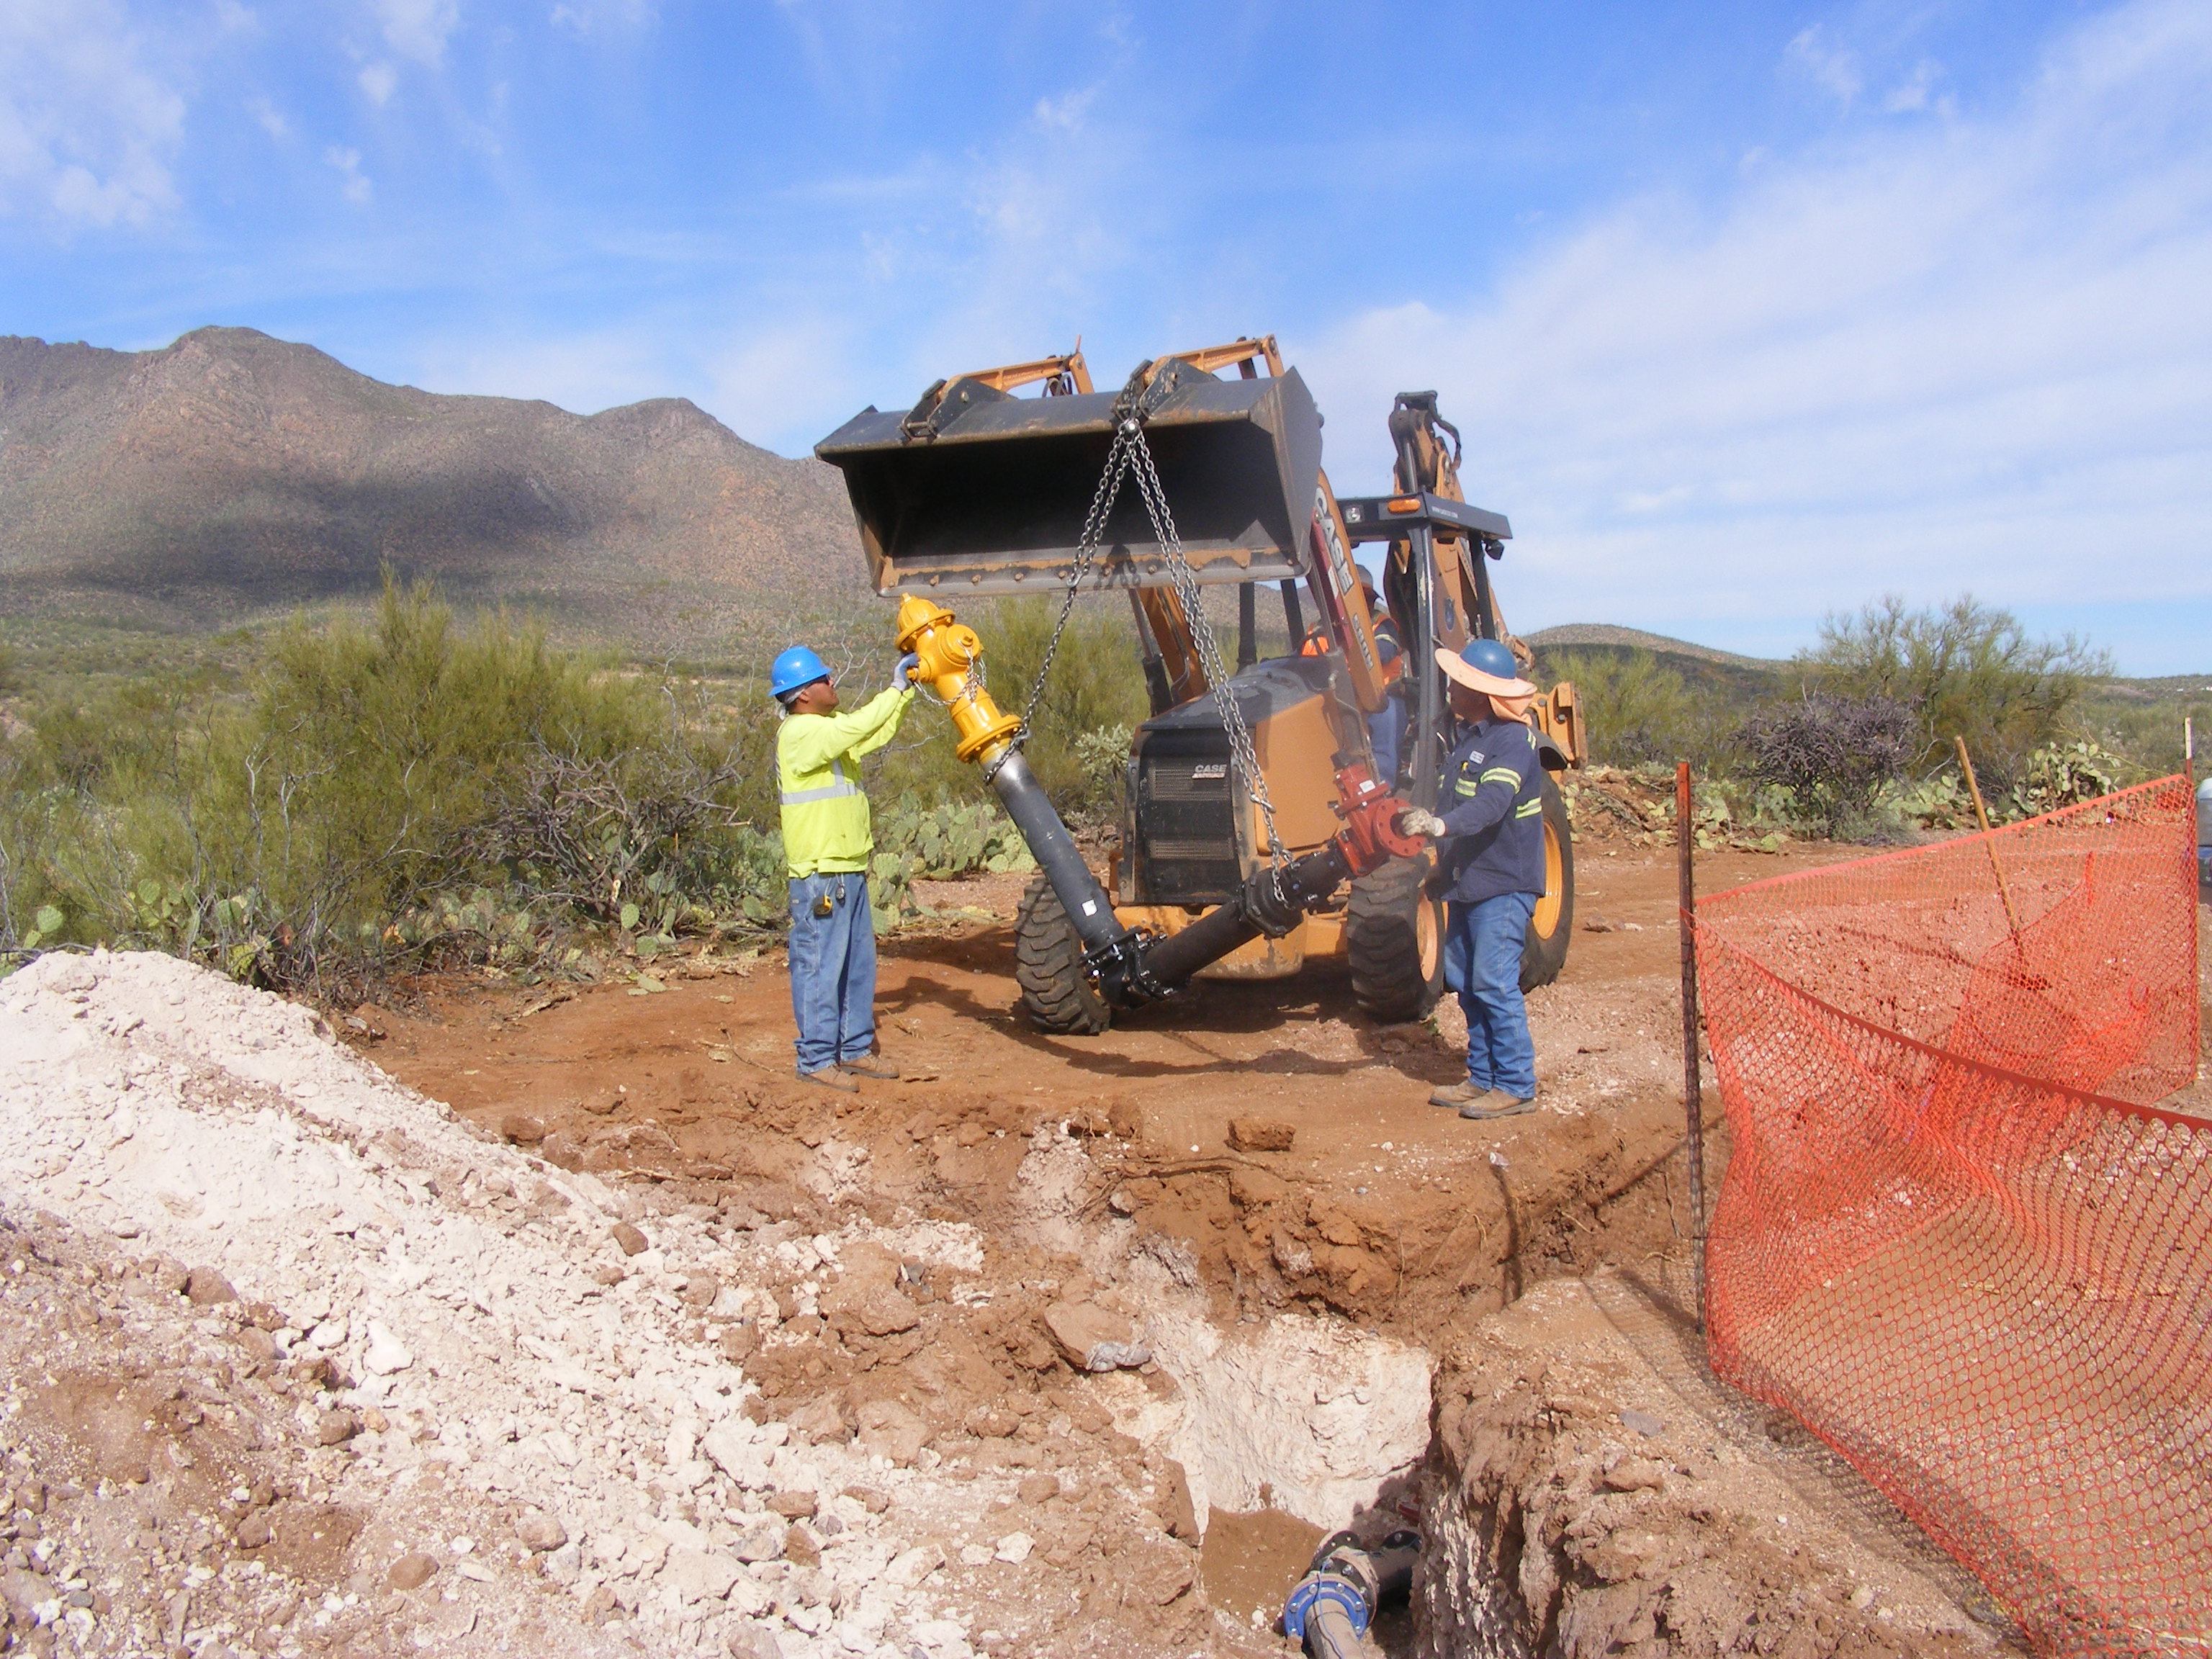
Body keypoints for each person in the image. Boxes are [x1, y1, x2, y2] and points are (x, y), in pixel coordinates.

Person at [1395, 637, 1546, 1120]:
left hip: (1503, 884)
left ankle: (1517, 1084)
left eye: (1459, 684)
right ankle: (1483, 1076)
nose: (1451, 691)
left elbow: (1490, 806)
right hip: (1469, 880)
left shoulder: (1512, 742)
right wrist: (1442, 867)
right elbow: (1457, 801)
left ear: (1482, 693)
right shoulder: (1471, 737)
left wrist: (1440, 827)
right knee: (1466, 981)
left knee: (1494, 981)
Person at [770, 643, 921, 1092]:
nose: (831, 683)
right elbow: (859, 726)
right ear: (801, 695)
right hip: (820, 876)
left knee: (857, 965)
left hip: (847, 870)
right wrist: (894, 688)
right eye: (823, 679)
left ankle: (853, 1050)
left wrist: (906, 693)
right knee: (819, 966)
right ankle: (816, 1059)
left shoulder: (827, 730)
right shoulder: (800, 734)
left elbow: (870, 734)